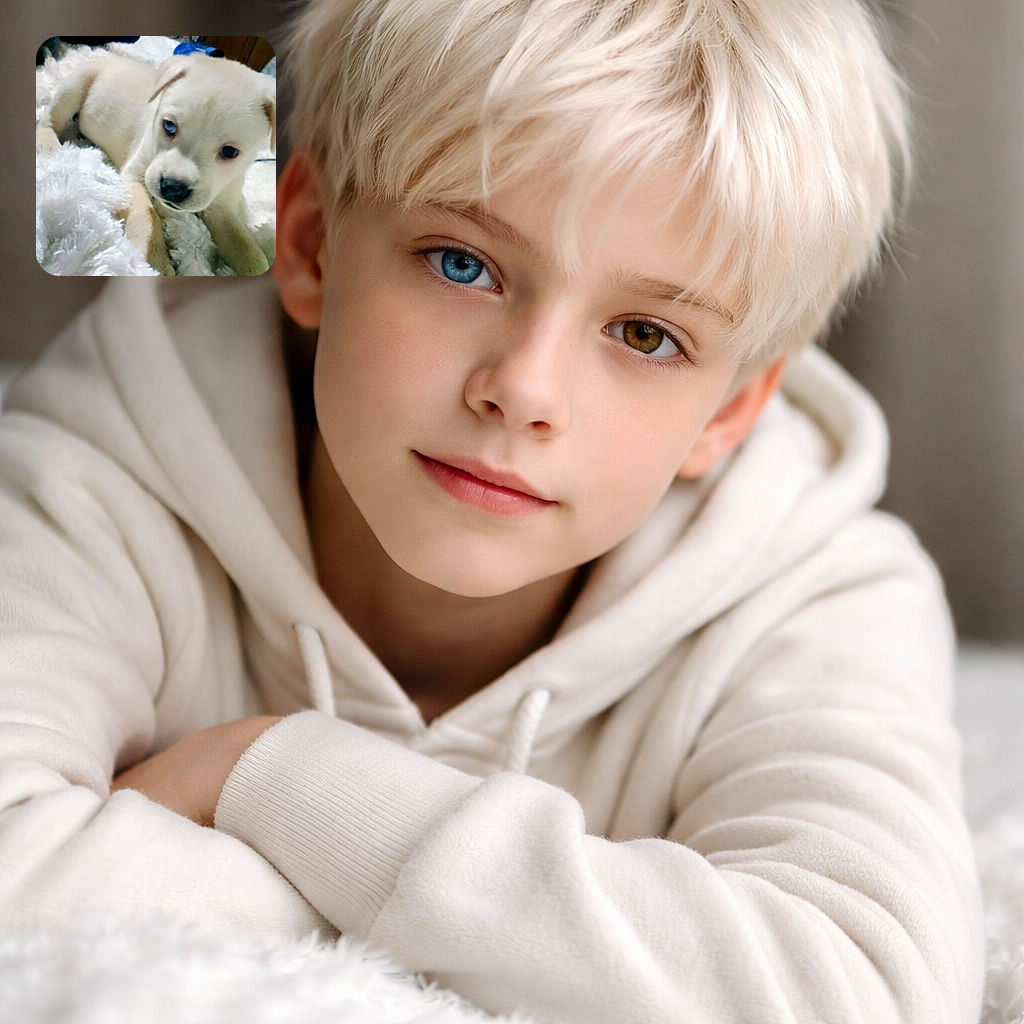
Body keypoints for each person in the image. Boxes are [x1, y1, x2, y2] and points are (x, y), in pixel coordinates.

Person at [0, 1, 984, 1021]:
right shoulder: (90, 475)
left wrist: (268, 774)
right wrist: (549, 947)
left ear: (731, 407)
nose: (525, 390)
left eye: (645, 334)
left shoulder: (821, 587)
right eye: (461, 263)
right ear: (311, 245)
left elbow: (870, 991)